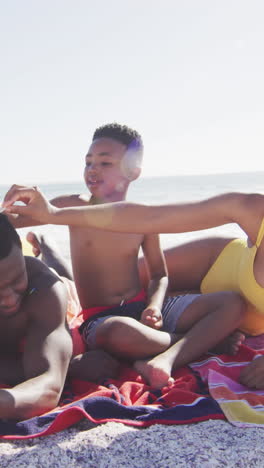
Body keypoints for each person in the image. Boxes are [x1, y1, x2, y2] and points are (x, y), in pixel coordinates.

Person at [2, 174, 246, 389]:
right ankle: (198, 341)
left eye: (105, 162)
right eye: (89, 162)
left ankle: (177, 348)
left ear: (133, 170)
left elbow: (159, 274)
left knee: (232, 303)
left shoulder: (143, 218)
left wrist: (155, 306)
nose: (94, 169)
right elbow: (12, 222)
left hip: (143, 309)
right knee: (98, 313)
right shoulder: (73, 206)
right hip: (102, 319)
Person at [0, 213, 73, 421]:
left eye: (16, 280)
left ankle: (47, 246)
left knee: (64, 277)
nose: (8, 299)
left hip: (62, 296)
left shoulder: (46, 291)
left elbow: (49, 387)